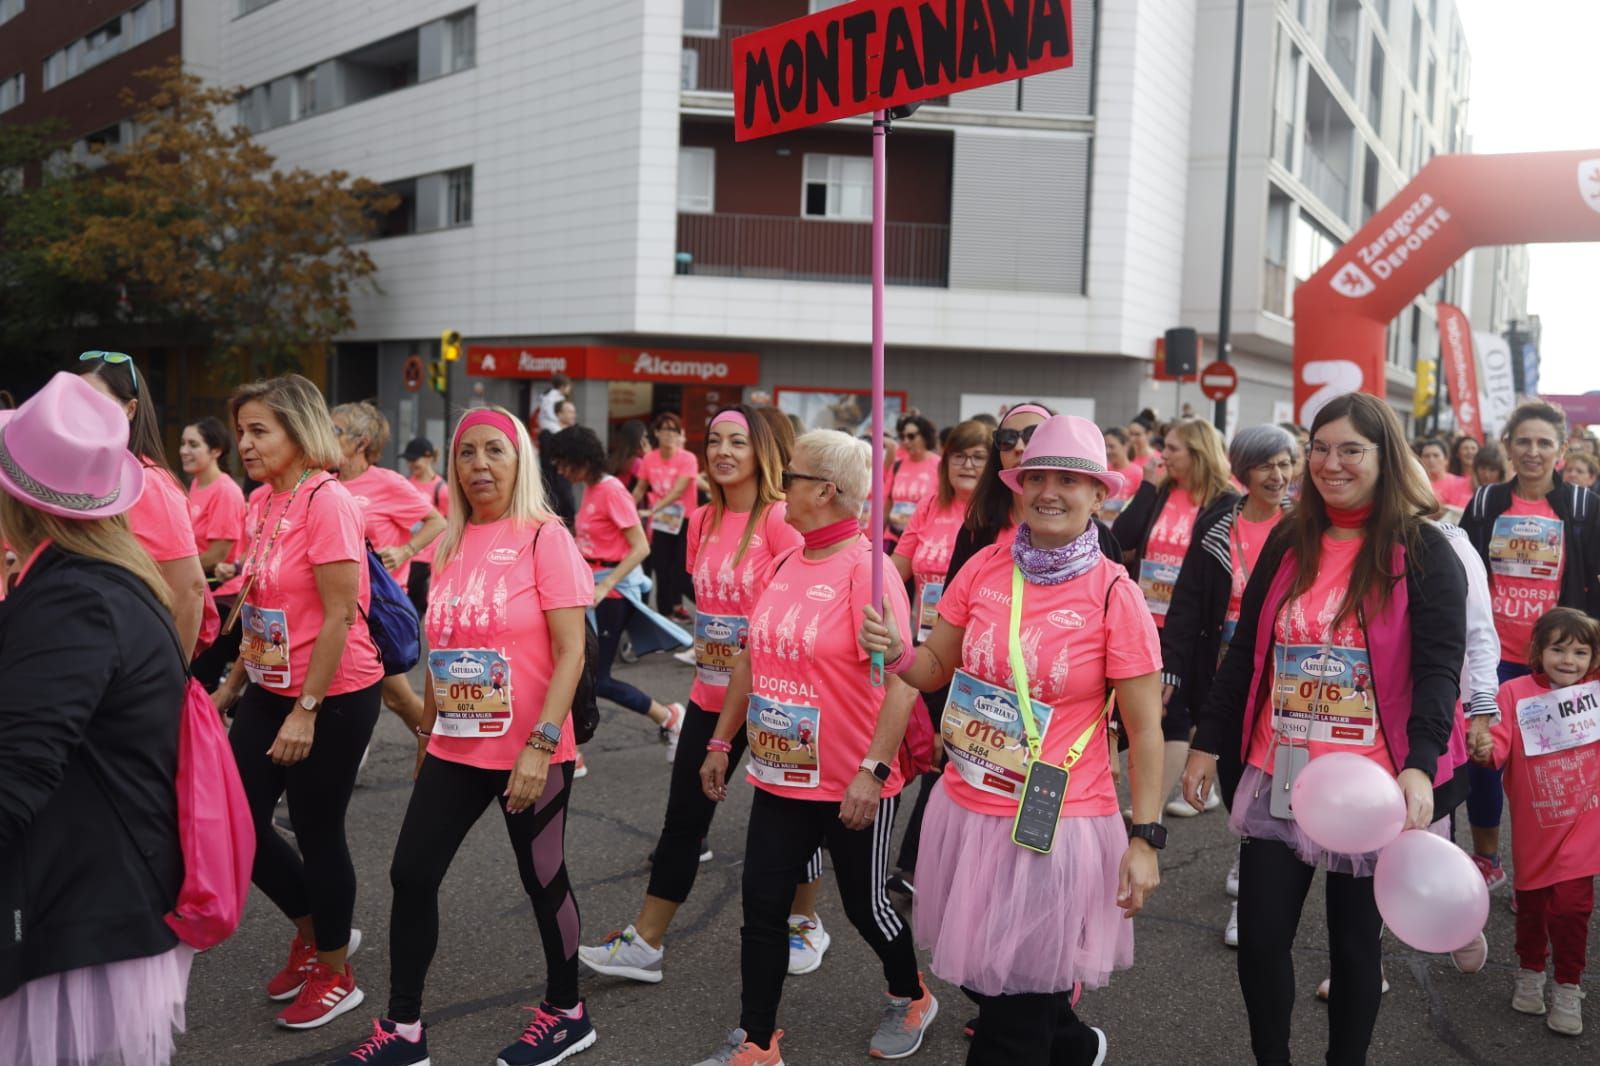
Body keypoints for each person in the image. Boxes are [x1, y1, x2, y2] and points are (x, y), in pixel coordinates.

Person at [861, 414, 1165, 1066]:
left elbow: (1144, 729)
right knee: (993, 978)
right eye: (1038, 478)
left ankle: (1055, 1037)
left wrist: (1146, 837)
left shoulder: (1116, 595)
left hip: (1057, 819)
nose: (1050, 492)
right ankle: (1075, 1044)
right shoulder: (985, 568)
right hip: (970, 805)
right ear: (1018, 487)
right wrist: (897, 652)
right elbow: (935, 667)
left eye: (1070, 480)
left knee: (1008, 1021)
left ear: (1098, 495)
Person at [1182, 392, 1470, 1066]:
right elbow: (1249, 647)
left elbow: (1438, 670)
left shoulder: (1423, 548)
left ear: (1383, 457)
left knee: (1353, 950)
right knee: (1258, 940)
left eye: (1350, 450)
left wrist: (1420, 764)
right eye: (1319, 448)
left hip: (1371, 785)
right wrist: (1205, 741)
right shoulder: (1290, 538)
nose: (1330, 463)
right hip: (1280, 771)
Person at [336, 407, 596, 1066]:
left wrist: (541, 746)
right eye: (468, 453)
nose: (479, 464)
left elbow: (571, 653)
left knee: (543, 878)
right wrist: (426, 734)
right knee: (411, 874)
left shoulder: (546, 538)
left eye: (495, 452)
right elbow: (443, 649)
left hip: (530, 750)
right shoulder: (448, 543)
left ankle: (568, 1011)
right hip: (455, 743)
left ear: (520, 462)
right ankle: (403, 1032)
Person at [695, 430, 934, 1066]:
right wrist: (723, 739)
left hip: (851, 779)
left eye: (792, 478)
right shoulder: (785, 560)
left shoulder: (870, 572)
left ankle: (910, 993)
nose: (781, 490)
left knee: (865, 906)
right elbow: (751, 655)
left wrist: (872, 771)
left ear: (826, 491)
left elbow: (904, 683)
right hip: (780, 773)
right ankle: (755, 1041)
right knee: (762, 905)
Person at [581, 406, 834, 987]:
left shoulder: (778, 521)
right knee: (683, 819)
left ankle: (805, 919)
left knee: (796, 816)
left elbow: (802, 608)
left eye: (737, 442)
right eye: (714, 439)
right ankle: (645, 942)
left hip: (777, 697)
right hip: (709, 692)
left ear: (761, 450)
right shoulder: (699, 520)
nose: (722, 451)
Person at [0, 373, 192, 1066]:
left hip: (83, 917)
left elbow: (16, 769)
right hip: (101, 901)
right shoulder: (99, 579)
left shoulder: (73, 600)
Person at [210, 374, 388, 1030]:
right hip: (267, 684)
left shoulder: (327, 501)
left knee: (318, 833)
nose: (245, 444)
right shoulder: (261, 502)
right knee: (239, 828)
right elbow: (259, 604)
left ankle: (338, 970)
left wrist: (305, 711)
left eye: (260, 430)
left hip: (334, 692)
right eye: (242, 431)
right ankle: (316, 934)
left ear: (298, 432)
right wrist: (231, 686)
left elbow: (341, 615)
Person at [1158, 425, 1294, 941]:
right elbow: (1188, 602)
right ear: (1243, 470)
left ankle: (1258, 889)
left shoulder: (1303, 526)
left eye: (1286, 463)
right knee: (1240, 784)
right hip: (1226, 677)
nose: (1278, 476)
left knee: (1278, 784)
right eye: (1266, 466)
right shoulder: (1218, 525)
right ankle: (1248, 854)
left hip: (1290, 681)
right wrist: (1170, 670)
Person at [1461, 400, 1600, 891]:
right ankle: (1486, 860)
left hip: (1557, 668)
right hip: (1491, 664)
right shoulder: (1483, 504)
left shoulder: (1583, 509)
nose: (1533, 452)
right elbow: (1462, 577)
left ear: (1561, 450)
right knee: (1481, 762)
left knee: (1551, 779)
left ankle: (1541, 875)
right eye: (1524, 441)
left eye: (1544, 443)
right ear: (1508, 446)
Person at [1472, 607, 1599, 1037]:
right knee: (1532, 908)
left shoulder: (1596, 690)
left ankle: (1568, 984)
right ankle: (1530, 970)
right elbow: (1498, 747)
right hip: (1534, 827)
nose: (1569, 661)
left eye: (1581, 652)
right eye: (1558, 649)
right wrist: (1484, 746)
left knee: (1572, 907)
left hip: (1584, 826)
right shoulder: (1514, 693)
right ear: (1537, 651)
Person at [1113, 418, 1238, 817]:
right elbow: (1122, 538)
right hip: (1142, 616)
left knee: (1174, 710)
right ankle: (1178, 788)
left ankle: (1149, 806)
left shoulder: (1226, 501)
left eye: (1172, 448)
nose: (1162, 455)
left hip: (1189, 625)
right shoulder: (1162, 491)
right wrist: (1148, 487)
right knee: (1141, 707)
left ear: (1198, 453)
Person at [884, 419, 991, 886]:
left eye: (978, 457)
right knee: (920, 755)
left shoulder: (999, 517)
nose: (966, 465)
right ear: (944, 461)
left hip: (970, 662)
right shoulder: (930, 507)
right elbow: (896, 570)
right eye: (958, 455)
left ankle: (920, 865)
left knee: (947, 761)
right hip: (920, 651)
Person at [547, 425, 685, 748]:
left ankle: (668, 716)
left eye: (566, 463)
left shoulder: (611, 490)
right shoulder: (592, 489)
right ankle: (563, 748)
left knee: (596, 679)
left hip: (610, 594)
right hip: (591, 591)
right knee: (573, 671)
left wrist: (605, 583)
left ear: (583, 459)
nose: (562, 471)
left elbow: (640, 547)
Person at [77, 351, 209, 657]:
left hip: (135, 662)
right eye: (76, 401)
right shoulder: (82, 478)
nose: (84, 414)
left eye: (97, 403)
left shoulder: (148, 484)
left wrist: (175, 680)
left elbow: (190, 590)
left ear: (130, 409)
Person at [330, 402, 446, 743]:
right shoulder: (325, 480)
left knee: (396, 696)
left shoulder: (387, 483)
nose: (324, 436)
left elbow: (437, 521)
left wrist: (406, 550)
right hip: (334, 603)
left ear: (361, 442)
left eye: (334, 431)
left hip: (375, 610)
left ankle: (442, 750)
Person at [635, 412, 700, 622]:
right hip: (663, 522)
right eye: (665, 429)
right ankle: (665, 614)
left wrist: (652, 511)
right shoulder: (649, 458)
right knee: (660, 568)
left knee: (681, 572)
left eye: (674, 430)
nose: (670, 434)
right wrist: (625, 507)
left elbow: (677, 492)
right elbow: (640, 489)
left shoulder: (688, 458)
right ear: (656, 433)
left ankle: (710, 608)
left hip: (685, 521)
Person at [182, 415, 247, 580]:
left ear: (215, 451)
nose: (184, 451)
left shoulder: (225, 491)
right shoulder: (196, 483)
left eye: (193, 445)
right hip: (196, 581)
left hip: (219, 591)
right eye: (183, 443)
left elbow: (217, 556)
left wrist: (173, 571)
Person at [401, 436, 449, 618]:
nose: (411, 464)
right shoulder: (404, 483)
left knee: (417, 607)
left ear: (429, 457)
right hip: (406, 552)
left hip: (428, 556)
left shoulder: (441, 489)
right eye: (408, 460)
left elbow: (449, 523)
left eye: (415, 459)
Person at [888, 414, 940, 540]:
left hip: (922, 537)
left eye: (911, 436)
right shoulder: (897, 465)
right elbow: (887, 502)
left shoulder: (940, 465)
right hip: (893, 537)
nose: (906, 441)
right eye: (902, 437)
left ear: (925, 436)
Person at [1099, 426, 1143, 523]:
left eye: (1111, 446)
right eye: (1105, 446)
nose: (1107, 451)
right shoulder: (1103, 471)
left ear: (1125, 446)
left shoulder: (1138, 473)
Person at [1418, 437, 1473, 515]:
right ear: (1421, 460)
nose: (1431, 460)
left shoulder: (1462, 483)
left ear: (1446, 460)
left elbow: (1461, 513)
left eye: (1436, 455)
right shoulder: (1416, 485)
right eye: (1426, 456)